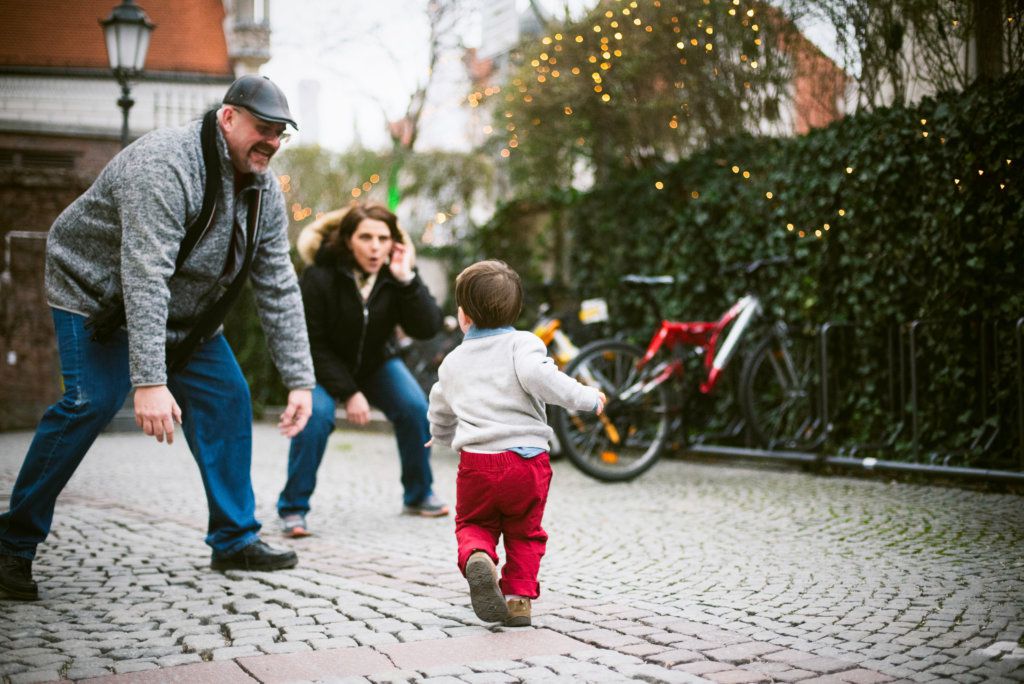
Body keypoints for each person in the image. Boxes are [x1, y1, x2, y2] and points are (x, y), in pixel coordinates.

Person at [0, 75, 316, 601]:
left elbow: (279, 285)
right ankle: (13, 540)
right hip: (97, 297)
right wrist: (149, 379)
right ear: (228, 117)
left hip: (188, 315)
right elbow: (144, 273)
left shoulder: (265, 191)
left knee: (227, 399)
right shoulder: (165, 164)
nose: (272, 143)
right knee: (91, 401)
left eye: (281, 133)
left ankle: (234, 538)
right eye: (263, 129)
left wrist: (300, 380)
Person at [427, 260, 605, 627]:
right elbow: (543, 378)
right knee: (525, 530)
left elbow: (439, 403)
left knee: (474, 523)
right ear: (516, 310)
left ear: (463, 317)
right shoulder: (523, 343)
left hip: (477, 462)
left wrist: (440, 437)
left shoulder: (453, 361)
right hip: (527, 462)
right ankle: (519, 599)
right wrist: (588, 398)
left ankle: (479, 555)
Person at [277, 203, 446, 537]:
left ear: (393, 243)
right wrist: (350, 393)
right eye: (365, 237)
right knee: (315, 416)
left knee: (415, 408)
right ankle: (293, 508)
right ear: (348, 240)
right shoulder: (319, 276)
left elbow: (428, 327)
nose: (374, 246)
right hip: (322, 367)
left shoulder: (395, 275)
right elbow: (313, 344)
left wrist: (407, 280)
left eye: (382, 238)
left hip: (375, 362)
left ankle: (418, 494)